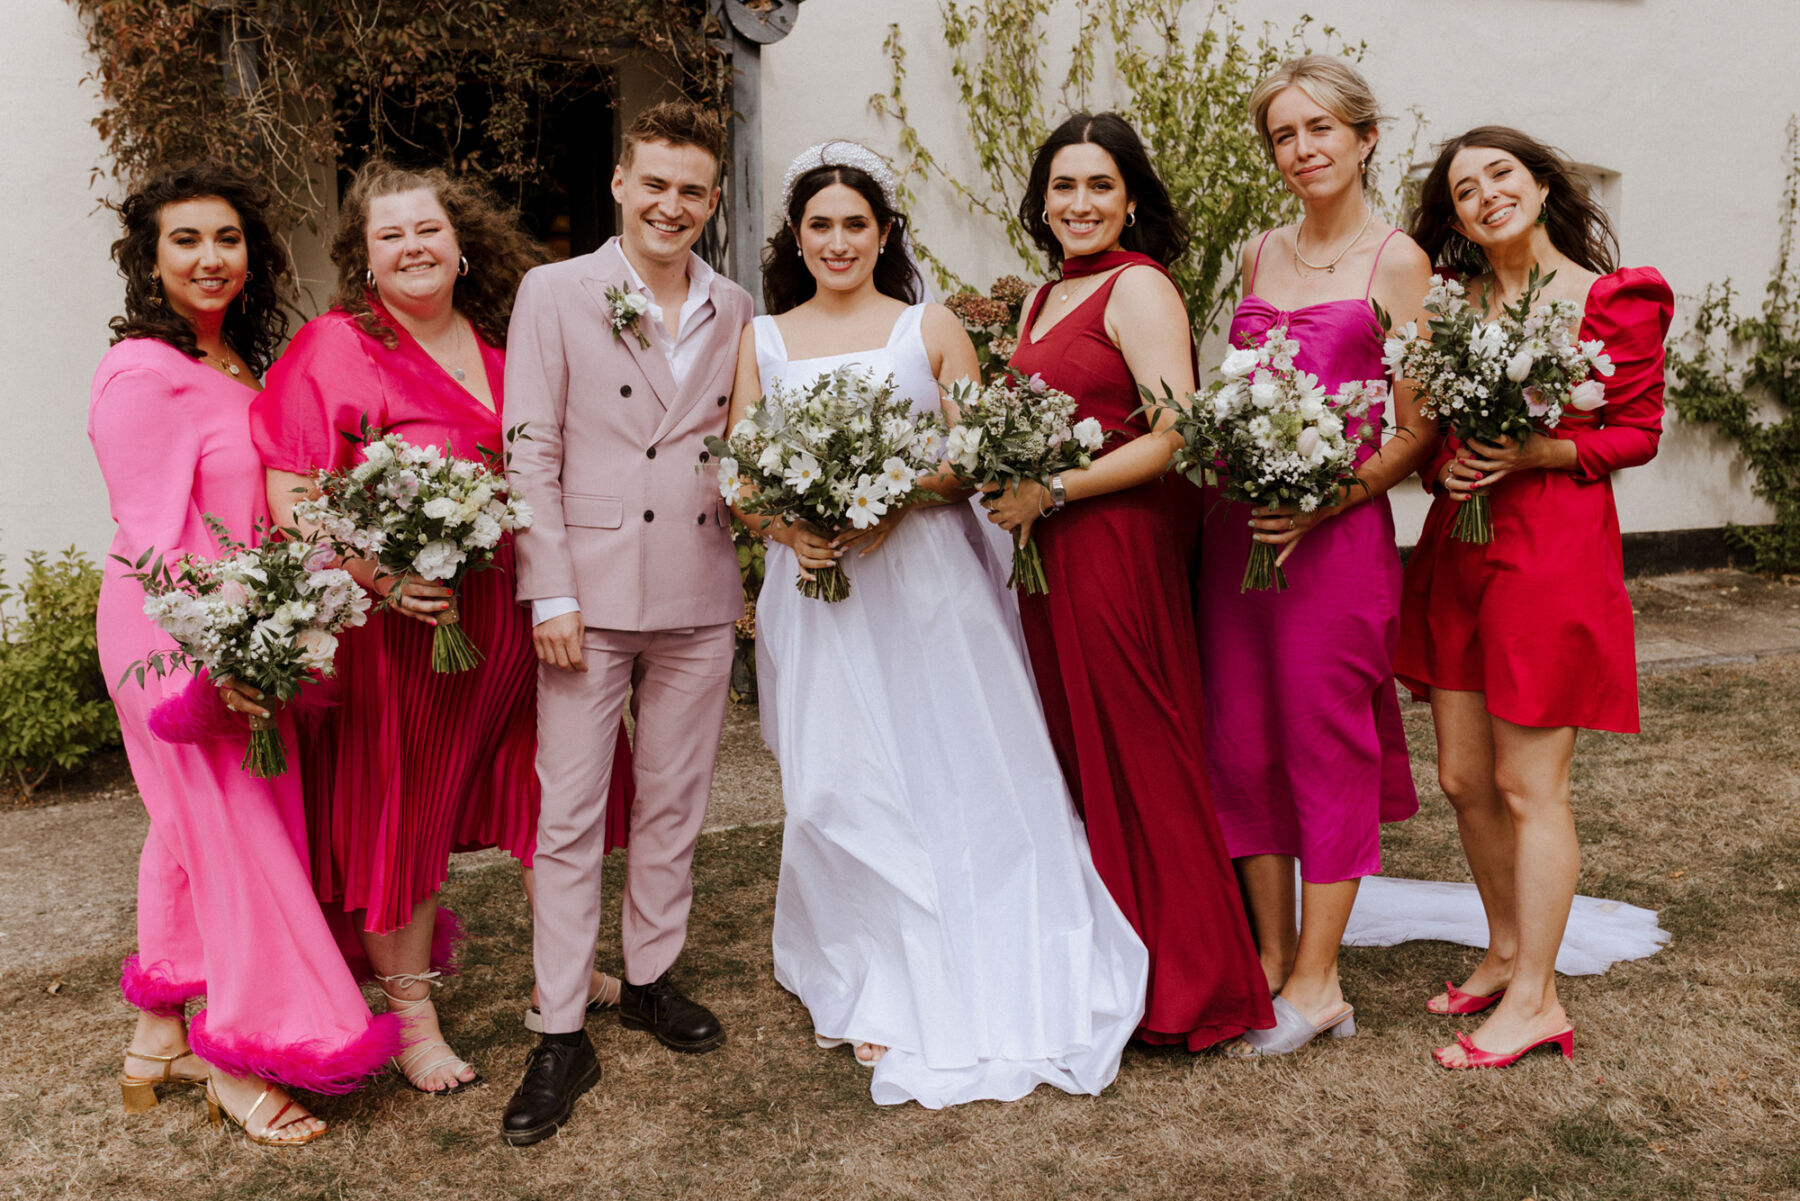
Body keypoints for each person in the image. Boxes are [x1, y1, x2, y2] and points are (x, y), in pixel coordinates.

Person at [731, 140, 1148, 1108]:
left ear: (884, 235)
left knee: (953, 761)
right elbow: (740, 472)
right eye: (821, 225)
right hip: (820, 585)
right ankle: (878, 964)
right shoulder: (764, 339)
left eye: (857, 224)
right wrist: (792, 526)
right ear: (798, 237)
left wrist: (893, 495)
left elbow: (974, 455)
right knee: (839, 780)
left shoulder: (930, 326)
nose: (839, 241)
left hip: (926, 584)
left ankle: (972, 943)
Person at [252, 160, 630, 1096]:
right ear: (365, 257)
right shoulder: (339, 346)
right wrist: (381, 576)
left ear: (464, 247)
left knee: (553, 792)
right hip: (408, 633)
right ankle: (412, 1015)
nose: (414, 247)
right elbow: (294, 492)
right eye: (391, 235)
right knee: (404, 813)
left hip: (518, 621)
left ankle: (568, 964)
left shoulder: (512, 342)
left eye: (428, 230)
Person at [91, 163, 397, 1145]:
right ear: (149, 259)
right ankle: (234, 1052)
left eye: (226, 238)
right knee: (234, 837)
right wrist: (216, 658)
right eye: (184, 240)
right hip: (174, 633)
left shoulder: (234, 362)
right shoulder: (142, 371)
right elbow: (149, 541)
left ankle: (156, 1043)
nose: (209, 257)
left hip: (248, 622)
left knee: (192, 833)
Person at [985, 113, 1275, 1050]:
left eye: (1099, 186)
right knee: (1075, 746)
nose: (1079, 204)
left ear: (1131, 198)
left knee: (1139, 746)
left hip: (1114, 543)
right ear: (1042, 200)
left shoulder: (1139, 288)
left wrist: (1053, 487)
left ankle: (1197, 980)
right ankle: (1116, 958)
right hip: (1045, 552)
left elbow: (1176, 435)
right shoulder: (1038, 299)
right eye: (1063, 187)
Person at [499, 100, 751, 1146]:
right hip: (588, 600)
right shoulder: (555, 290)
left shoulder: (736, 304)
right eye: (655, 183)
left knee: (676, 802)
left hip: (696, 586)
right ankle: (561, 1025)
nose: (672, 205)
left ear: (713, 200)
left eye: (693, 190)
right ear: (619, 184)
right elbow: (530, 446)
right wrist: (548, 589)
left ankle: (649, 976)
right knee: (569, 815)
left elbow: (742, 442)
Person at [1396, 126, 1673, 1068]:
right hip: (1459, 548)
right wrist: (1447, 464)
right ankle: (1507, 948)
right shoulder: (1449, 307)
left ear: (1544, 184)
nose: (1483, 196)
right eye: (1464, 190)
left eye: (1499, 174)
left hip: (1549, 550)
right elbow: (1429, 435)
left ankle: (1536, 1000)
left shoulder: (1610, 300)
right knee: (1465, 779)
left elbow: (1635, 433)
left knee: (1527, 783)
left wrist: (1537, 450)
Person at [1194, 57, 1432, 1057]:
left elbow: (1415, 431)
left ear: (1365, 137)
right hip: (1240, 543)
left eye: (1321, 128)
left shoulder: (1400, 262)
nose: (1303, 149)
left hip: (1336, 548)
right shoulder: (1257, 253)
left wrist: (1324, 497)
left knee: (1325, 746)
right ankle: (1271, 956)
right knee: (1241, 742)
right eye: (1285, 135)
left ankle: (1320, 981)